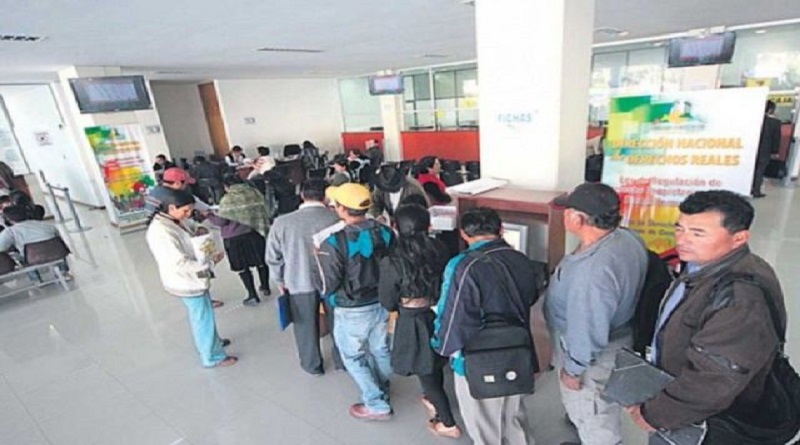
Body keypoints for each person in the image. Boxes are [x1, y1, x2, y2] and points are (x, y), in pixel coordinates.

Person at [627, 190, 787, 443]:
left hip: (702, 421)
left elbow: (713, 380)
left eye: (698, 233)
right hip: (676, 393)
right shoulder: (704, 265)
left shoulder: (740, 299)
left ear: (739, 238)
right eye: (680, 229)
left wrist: (655, 414)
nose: (682, 240)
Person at [545, 182, 648, 445]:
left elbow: (587, 328)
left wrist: (573, 370)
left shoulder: (592, 274)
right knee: (595, 409)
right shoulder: (626, 238)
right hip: (618, 337)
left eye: (567, 212)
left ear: (577, 219)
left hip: (591, 357)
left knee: (594, 415)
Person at [432, 207, 539, 445]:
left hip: (478, 357)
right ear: (501, 230)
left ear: (463, 234)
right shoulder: (521, 259)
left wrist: (442, 345)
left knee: (484, 424)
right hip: (517, 349)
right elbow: (530, 298)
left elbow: (454, 315)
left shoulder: (462, 265)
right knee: (514, 416)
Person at [378, 204, 461, 439]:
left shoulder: (392, 261)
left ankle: (448, 423)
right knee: (435, 362)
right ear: (429, 226)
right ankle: (433, 397)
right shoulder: (440, 248)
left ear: (395, 227)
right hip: (441, 311)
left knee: (425, 370)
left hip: (413, 318)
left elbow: (387, 301)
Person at [315, 183, 395, 420]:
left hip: (352, 307)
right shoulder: (386, 232)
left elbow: (328, 283)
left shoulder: (334, 242)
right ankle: (383, 385)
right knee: (380, 348)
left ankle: (376, 403)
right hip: (382, 301)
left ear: (341, 208)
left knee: (352, 355)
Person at [145, 187, 237, 368]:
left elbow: (192, 228)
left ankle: (213, 342)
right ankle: (212, 356)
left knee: (204, 314)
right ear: (171, 208)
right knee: (202, 318)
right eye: (185, 211)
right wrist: (209, 262)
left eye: (190, 211)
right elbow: (180, 263)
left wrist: (201, 231)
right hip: (185, 280)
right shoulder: (162, 232)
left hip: (194, 276)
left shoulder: (174, 220)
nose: (188, 214)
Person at [266, 179, 343, 375]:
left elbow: (273, 257)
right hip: (334, 281)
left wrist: (279, 280)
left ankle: (312, 365)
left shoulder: (282, 222)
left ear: (302, 195)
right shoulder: (337, 219)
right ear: (326, 196)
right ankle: (342, 361)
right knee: (339, 322)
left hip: (298, 281)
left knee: (304, 326)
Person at [204, 175, 271, 306]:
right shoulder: (254, 193)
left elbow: (222, 221)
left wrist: (209, 215)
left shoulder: (227, 199)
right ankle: (265, 287)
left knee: (242, 267)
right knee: (261, 262)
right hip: (255, 233)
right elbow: (265, 211)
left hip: (234, 238)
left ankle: (252, 295)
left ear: (227, 186)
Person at [752, 100, 783, 198]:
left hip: (752, 148)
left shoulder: (754, 119)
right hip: (765, 150)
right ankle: (756, 190)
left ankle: (745, 188)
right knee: (760, 170)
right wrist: (775, 151)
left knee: (751, 169)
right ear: (771, 110)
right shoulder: (775, 122)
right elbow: (776, 138)